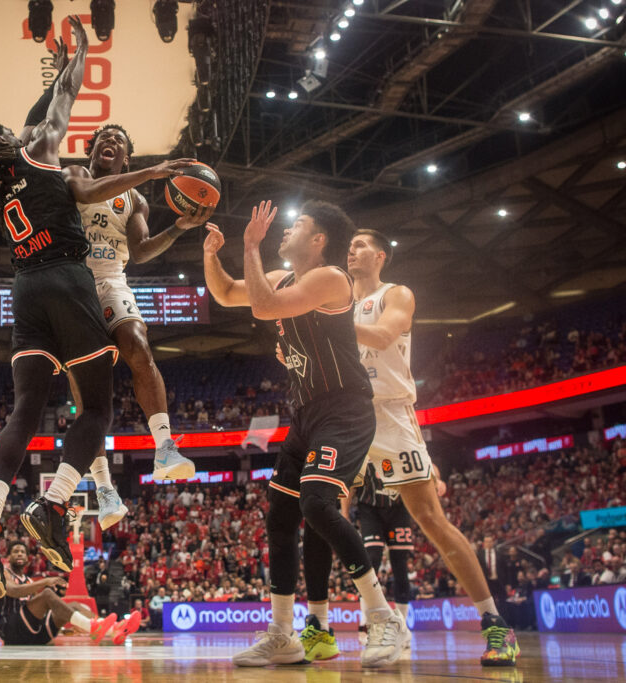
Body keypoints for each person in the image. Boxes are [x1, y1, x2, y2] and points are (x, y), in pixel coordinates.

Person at [0, 16, 191, 596]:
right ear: (4, 142)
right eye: (7, 131)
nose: (18, 130)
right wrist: (78, 55)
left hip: (24, 290)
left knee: (26, 409)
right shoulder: (37, 152)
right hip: (67, 278)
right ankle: (53, 506)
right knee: (97, 411)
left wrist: (59, 68)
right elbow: (61, 102)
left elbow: (39, 113)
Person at [204, 200, 409, 668]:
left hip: (346, 410)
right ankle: (281, 634)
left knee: (316, 502)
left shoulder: (332, 278)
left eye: (297, 225)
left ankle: (382, 617)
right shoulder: (283, 277)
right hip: (306, 415)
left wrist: (251, 246)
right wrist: (212, 255)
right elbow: (228, 293)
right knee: (279, 514)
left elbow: (261, 305)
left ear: (318, 241)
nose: (287, 229)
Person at [345, 229, 519, 666]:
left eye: (362, 244)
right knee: (318, 509)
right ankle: (353, 622)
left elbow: (384, 337)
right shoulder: (335, 301)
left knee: (430, 519)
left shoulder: (395, 293)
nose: (352, 249)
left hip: (390, 415)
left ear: (381, 256)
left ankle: (495, 624)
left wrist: (326, 328)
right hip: (345, 416)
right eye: (349, 244)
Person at [63, 125, 216, 527]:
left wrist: (179, 228)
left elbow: (143, 251)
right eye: (104, 139)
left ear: (127, 157)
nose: (111, 143)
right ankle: (104, 489)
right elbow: (87, 194)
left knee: (138, 343)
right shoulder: (75, 174)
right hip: (73, 283)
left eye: (119, 142)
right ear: (91, 148)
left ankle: (165, 446)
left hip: (111, 278)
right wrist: (151, 172)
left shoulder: (135, 200)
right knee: (87, 393)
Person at [0, 542, 140, 646]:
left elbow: (36, 613)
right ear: (8, 557)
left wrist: (64, 627)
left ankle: (113, 630)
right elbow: (12, 591)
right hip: (9, 629)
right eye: (15, 551)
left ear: (27, 558)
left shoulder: (28, 580)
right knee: (47, 594)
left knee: (74, 606)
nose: (19, 554)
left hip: (31, 634)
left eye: (22, 552)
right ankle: (93, 627)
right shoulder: (3, 573)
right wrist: (45, 581)